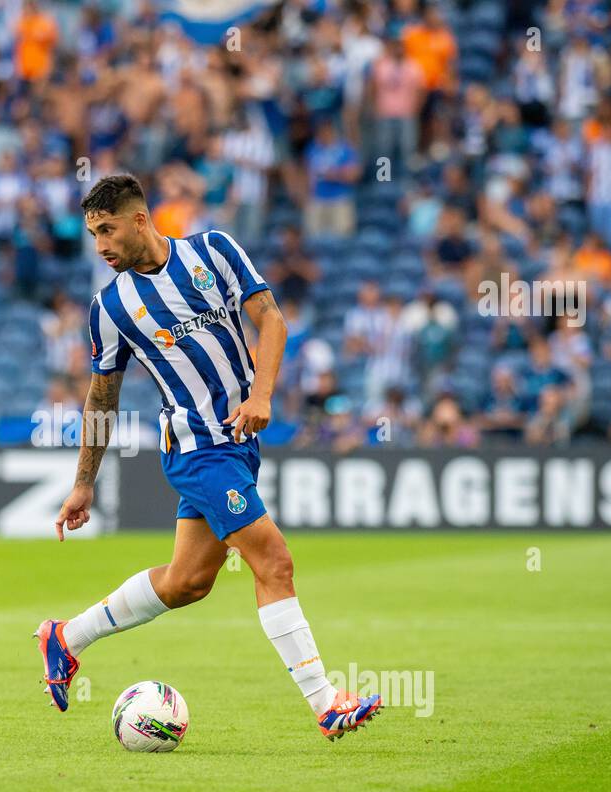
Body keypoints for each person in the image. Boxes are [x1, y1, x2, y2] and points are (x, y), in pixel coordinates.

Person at [34, 175, 382, 741]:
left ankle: (65, 638)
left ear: (141, 219)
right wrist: (83, 482)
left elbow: (271, 318)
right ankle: (326, 703)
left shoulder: (213, 250)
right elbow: (103, 397)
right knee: (274, 562)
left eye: (107, 230)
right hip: (197, 450)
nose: (100, 245)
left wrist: (262, 393)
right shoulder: (110, 307)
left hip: (240, 442)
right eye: (93, 233)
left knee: (187, 582)